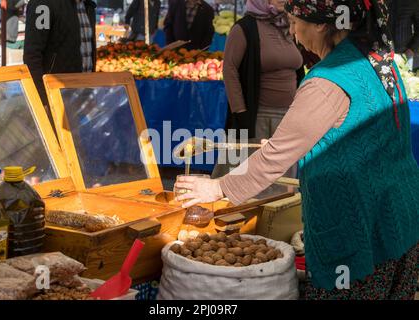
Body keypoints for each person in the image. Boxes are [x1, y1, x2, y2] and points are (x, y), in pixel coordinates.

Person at [175, 0, 419, 300]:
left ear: (319, 24)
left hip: (361, 230)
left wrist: (217, 187)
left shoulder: (327, 80)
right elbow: (361, 135)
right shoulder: (379, 61)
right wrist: (303, 141)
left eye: (293, 22)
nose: (292, 32)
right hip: (403, 219)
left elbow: (275, 157)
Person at [224, 0, 303, 142]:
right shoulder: (244, 28)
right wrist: (240, 112)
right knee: (252, 163)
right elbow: (230, 70)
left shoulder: (287, 25)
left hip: (289, 116)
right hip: (259, 118)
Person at [24, 0, 97, 109]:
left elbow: (88, 51)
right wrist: (43, 99)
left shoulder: (88, 5)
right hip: (56, 95)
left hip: (82, 95)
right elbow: (32, 55)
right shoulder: (43, 4)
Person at [390, 0, 418, 71]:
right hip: (381, 52)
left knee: (409, 77)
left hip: (405, 52)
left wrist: (412, 48)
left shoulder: (413, 2)